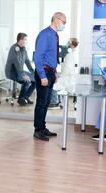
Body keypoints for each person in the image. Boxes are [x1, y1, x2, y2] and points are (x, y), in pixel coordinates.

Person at [33, 12, 66, 141]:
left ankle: (42, 127)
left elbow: (51, 56)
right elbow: (38, 57)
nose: (64, 24)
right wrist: (42, 76)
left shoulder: (54, 35)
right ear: (56, 19)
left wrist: (55, 72)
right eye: (64, 21)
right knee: (41, 102)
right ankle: (38, 129)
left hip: (50, 72)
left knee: (46, 102)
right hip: (44, 72)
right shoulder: (45, 34)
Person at [5, 33, 35, 106]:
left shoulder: (24, 49)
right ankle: (21, 99)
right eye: (25, 39)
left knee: (35, 80)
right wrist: (23, 75)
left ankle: (25, 97)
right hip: (11, 72)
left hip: (19, 71)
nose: (26, 41)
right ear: (20, 40)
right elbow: (17, 64)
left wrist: (34, 73)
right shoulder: (14, 48)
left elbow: (27, 62)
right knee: (26, 81)